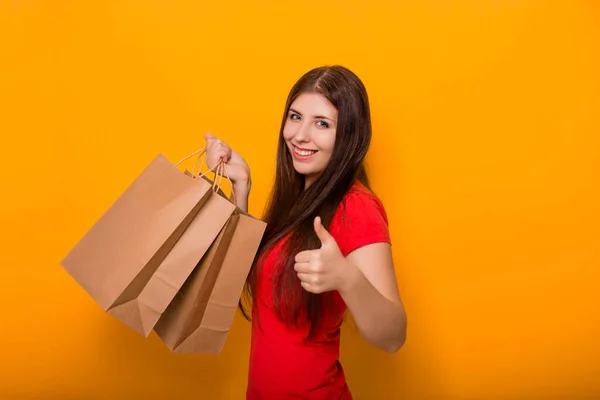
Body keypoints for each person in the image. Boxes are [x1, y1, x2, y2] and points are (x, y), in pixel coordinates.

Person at [204, 65, 407, 400]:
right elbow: (256, 285)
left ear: (349, 136)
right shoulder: (297, 199)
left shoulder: (356, 207)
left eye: (322, 124)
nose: (300, 135)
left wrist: (347, 277)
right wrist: (242, 188)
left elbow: (393, 336)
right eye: (295, 117)